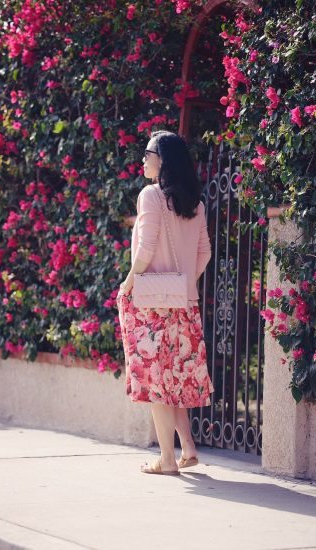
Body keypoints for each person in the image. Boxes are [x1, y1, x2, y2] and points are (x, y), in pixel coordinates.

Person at [116, 130, 214, 476]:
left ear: (163, 159)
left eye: (148, 153)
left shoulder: (151, 196)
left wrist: (128, 283)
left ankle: (167, 460)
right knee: (175, 379)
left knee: (158, 382)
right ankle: (187, 449)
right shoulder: (195, 203)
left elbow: (145, 248)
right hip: (185, 303)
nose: (143, 160)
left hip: (152, 303)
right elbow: (205, 252)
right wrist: (184, 283)